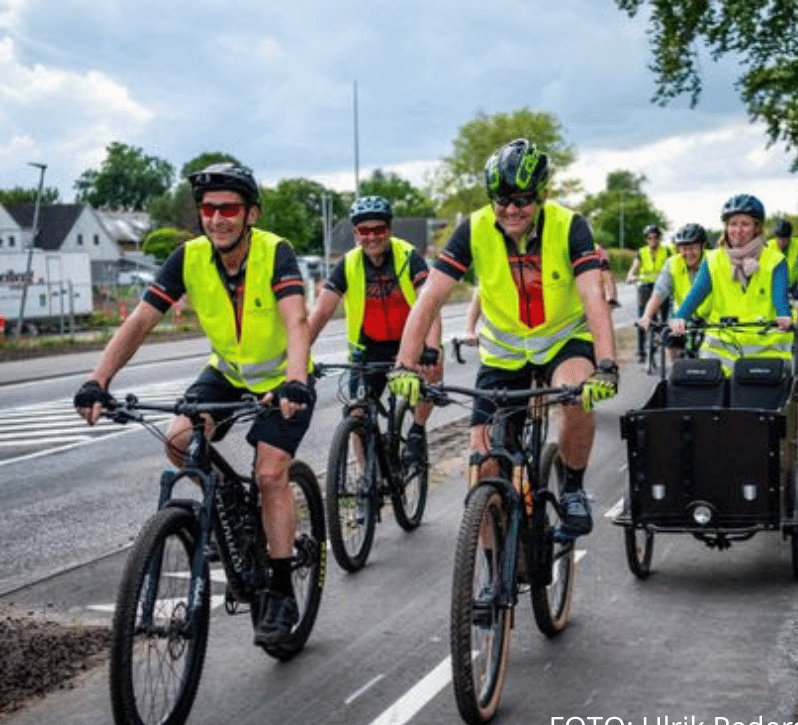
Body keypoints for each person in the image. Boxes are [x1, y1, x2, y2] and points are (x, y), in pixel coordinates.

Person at [73, 163, 314, 647]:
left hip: (282, 381)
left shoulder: (275, 252)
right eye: (208, 209)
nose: (217, 218)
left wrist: (294, 381)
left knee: (270, 475)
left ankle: (282, 589)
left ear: (250, 214)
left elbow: (296, 320)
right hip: (226, 374)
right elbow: (140, 320)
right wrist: (98, 380)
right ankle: (228, 501)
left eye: (228, 208)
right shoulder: (188, 258)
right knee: (181, 439)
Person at [387, 138, 618, 539]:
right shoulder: (474, 228)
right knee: (484, 468)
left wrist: (608, 365)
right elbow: (431, 297)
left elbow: (592, 295)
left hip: (563, 340)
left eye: (522, 199)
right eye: (502, 200)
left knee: (576, 393)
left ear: (541, 195)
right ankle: (492, 580)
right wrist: (404, 365)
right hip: (503, 352)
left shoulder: (569, 225)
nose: (511, 209)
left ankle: (574, 488)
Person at [307, 195, 441, 461]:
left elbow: (430, 307)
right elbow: (322, 311)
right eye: (364, 231)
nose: (371, 237)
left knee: (432, 373)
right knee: (356, 414)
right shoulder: (348, 264)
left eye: (378, 229)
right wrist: (299, 357)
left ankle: (416, 430)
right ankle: (363, 477)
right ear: (356, 233)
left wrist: (432, 349)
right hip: (368, 349)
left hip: (409, 343)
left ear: (389, 229)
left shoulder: (407, 256)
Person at [670, 194, 793, 373]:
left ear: (756, 228)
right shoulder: (714, 260)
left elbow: (780, 298)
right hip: (719, 353)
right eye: (733, 224)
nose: (738, 230)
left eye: (745, 224)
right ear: (726, 228)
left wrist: (783, 316)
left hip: (765, 354)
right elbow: (696, 293)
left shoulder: (775, 261)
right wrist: (680, 317)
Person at [637, 223, 709, 359]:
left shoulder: (712, 260)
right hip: (681, 318)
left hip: (710, 319)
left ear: (702, 246)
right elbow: (659, 292)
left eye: (693, 248)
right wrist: (647, 315)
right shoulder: (673, 263)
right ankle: (677, 373)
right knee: (671, 342)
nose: (688, 253)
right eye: (684, 248)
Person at [626, 223, 672, 361]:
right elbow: (634, 268)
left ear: (659, 238)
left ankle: (664, 342)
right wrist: (630, 276)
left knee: (665, 319)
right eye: (650, 238)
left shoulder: (667, 251)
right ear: (646, 239)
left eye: (655, 238)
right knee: (642, 318)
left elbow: (673, 266)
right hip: (645, 286)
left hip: (662, 287)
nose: (653, 241)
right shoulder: (641, 252)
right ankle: (641, 351)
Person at [767, 219, 798, 324]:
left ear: (789, 237)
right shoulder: (768, 246)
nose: (781, 241)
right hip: (774, 282)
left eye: (784, 238)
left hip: (794, 282)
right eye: (779, 238)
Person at [596, 243, 620, 307]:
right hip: (602, 266)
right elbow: (605, 259)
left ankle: (611, 298)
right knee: (609, 281)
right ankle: (611, 298)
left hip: (599, 266)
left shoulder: (595, 247)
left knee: (607, 281)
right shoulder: (598, 248)